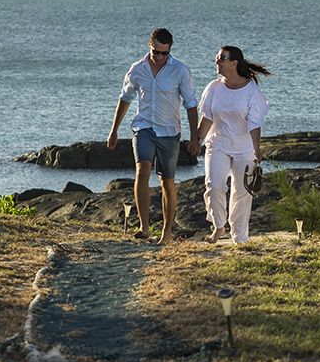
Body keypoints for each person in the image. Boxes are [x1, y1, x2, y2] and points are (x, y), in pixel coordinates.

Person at [107, 28, 199, 245]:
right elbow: (125, 98)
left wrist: (195, 138)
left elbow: (191, 104)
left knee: (167, 181)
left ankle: (167, 232)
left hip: (169, 131)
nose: (158, 57)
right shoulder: (137, 69)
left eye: (163, 53)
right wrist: (114, 130)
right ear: (149, 47)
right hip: (144, 127)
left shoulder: (180, 71)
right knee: (142, 168)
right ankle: (144, 226)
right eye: (155, 52)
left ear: (169, 51)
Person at [195, 45, 270, 244]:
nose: (217, 61)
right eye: (217, 57)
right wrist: (196, 140)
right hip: (217, 144)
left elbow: (255, 123)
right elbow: (207, 117)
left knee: (242, 193)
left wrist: (257, 148)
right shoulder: (214, 87)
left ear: (234, 62)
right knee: (214, 186)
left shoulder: (251, 91)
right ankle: (218, 226)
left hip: (244, 148)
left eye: (221, 58)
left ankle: (239, 237)